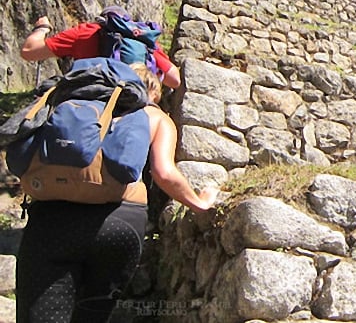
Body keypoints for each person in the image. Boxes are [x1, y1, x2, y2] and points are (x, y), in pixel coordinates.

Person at [15, 63, 218, 323]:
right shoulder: (155, 117)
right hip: (120, 224)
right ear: (152, 92)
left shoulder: (67, 103)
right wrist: (199, 203)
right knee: (92, 316)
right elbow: (164, 173)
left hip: (53, 221)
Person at [20, 5, 181, 88]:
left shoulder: (86, 32)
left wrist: (42, 28)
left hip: (91, 94)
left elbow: (29, 51)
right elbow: (174, 80)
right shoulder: (141, 39)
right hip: (134, 96)